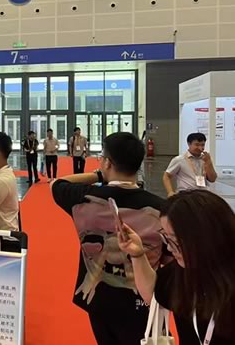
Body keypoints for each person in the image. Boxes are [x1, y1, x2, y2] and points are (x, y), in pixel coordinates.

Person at [51, 132, 167, 345]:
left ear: (107, 162)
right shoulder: (162, 208)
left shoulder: (83, 199)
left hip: (98, 300)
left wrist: (98, 175)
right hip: (144, 303)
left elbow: (57, 183)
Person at [118, 190, 235, 344]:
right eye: (166, 238)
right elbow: (154, 293)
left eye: (175, 240)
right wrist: (137, 254)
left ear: (203, 237)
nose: (169, 248)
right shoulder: (182, 270)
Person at [162, 132, 218, 197]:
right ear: (189, 144)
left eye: (202, 145)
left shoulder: (205, 159)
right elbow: (166, 176)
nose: (200, 148)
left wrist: (208, 162)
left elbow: (212, 179)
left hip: (203, 194)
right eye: (197, 145)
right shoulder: (179, 159)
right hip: (185, 195)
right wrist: (170, 192)